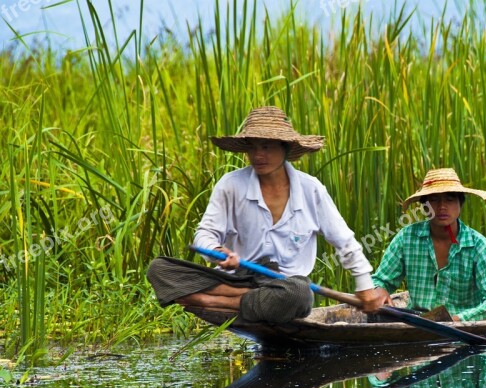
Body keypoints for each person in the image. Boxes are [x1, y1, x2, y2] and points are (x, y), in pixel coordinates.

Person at [147, 106, 383, 323]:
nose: (258, 155)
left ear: (286, 148)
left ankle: (212, 301)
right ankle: (248, 297)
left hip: (284, 284)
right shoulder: (230, 185)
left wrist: (364, 285)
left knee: (300, 294)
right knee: (159, 269)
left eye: (267, 146)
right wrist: (219, 253)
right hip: (236, 278)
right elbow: (205, 234)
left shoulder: (311, 189)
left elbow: (344, 241)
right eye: (253, 146)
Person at [371, 168, 486, 322]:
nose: (441, 206)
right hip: (419, 321)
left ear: (460, 203)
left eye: (450, 199)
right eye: (434, 199)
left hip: (464, 325)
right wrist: (380, 289)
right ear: (425, 206)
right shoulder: (407, 238)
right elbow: (381, 280)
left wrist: (456, 319)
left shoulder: (478, 246)